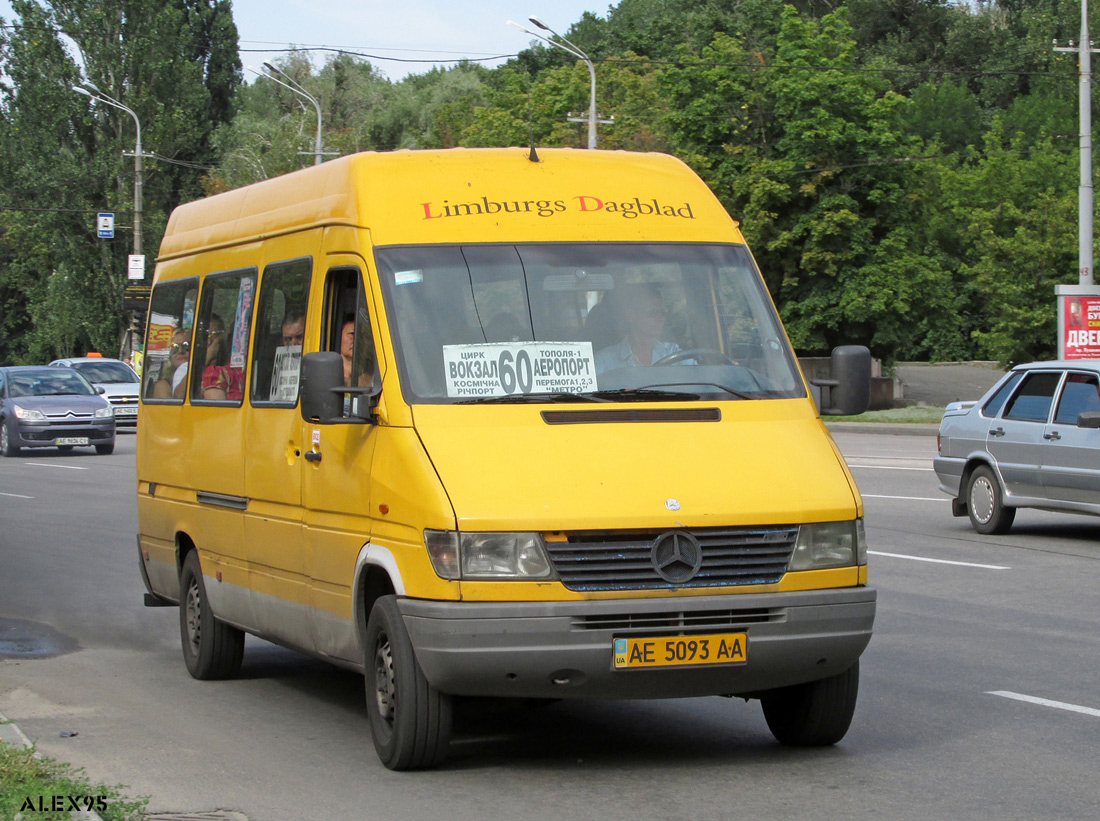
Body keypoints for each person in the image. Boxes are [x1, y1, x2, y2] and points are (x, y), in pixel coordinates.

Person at [594, 284, 681, 374]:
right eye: (653, 313)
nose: (661, 318)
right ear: (630, 315)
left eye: (663, 313)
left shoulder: (674, 353)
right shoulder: (604, 361)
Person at [201, 314, 244, 401]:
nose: (209, 341)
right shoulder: (214, 372)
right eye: (206, 336)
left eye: (215, 334)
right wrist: (208, 357)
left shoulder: (236, 368)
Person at [152, 328, 191, 399]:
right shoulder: (163, 386)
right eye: (174, 347)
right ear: (169, 355)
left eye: (186, 346)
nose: (180, 351)